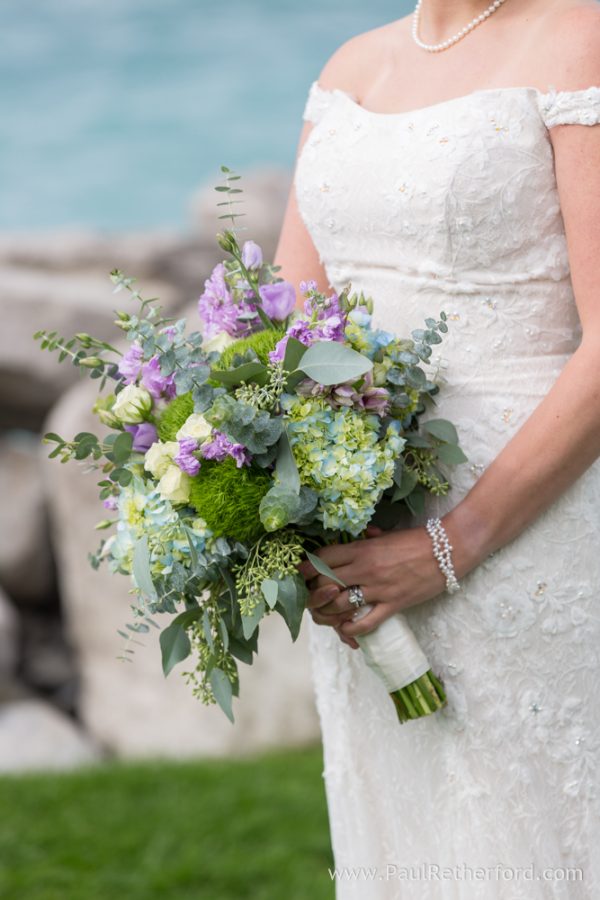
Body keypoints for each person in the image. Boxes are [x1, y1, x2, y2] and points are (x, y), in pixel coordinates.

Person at [272, 0, 600, 897]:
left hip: (528, 530)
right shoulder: (349, 67)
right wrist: (261, 490)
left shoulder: (580, 35)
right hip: (368, 540)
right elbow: (286, 336)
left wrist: (451, 545)